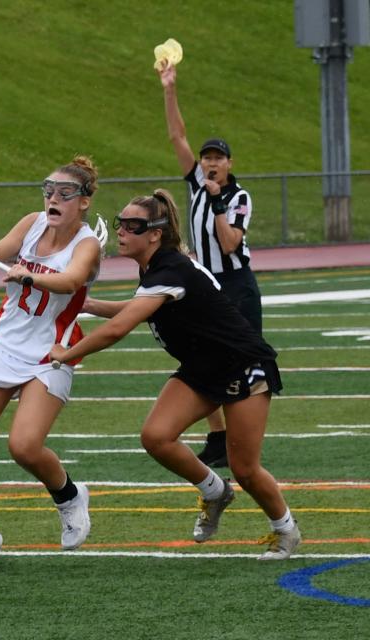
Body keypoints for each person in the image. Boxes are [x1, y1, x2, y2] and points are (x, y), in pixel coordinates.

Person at [49, 189, 301, 560]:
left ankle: (286, 530)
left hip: (242, 364)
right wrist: (82, 303)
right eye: (121, 223)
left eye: (133, 226)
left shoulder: (170, 268)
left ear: (155, 233)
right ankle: (215, 491)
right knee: (156, 436)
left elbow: (121, 327)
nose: (122, 231)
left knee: (246, 468)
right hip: (203, 367)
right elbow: (136, 307)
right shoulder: (156, 268)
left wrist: (66, 354)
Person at [0, 156, 102, 571]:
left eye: (65, 193)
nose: (53, 198)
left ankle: (69, 495)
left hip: (50, 352)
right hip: (2, 344)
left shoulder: (86, 244)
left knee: (23, 446)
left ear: (84, 201)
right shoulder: (32, 222)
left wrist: (29, 277)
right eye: (48, 190)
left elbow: (71, 281)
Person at [157, 61, 263, 469]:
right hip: (207, 284)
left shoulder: (238, 197)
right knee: (200, 354)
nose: (209, 162)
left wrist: (218, 200)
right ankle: (218, 435)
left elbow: (230, 242)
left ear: (230, 164)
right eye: (206, 158)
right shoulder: (197, 185)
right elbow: (176, 134)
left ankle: (240, 440)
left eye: (217, 157)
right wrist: (169, 88)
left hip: (236, 284)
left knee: (242, 361)